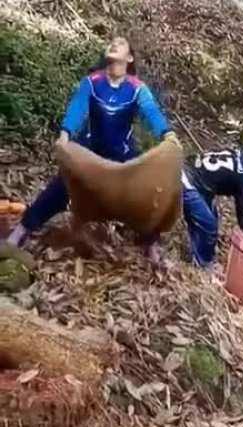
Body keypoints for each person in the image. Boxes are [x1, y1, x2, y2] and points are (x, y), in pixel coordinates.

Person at [7, 36, 175, 265]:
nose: (114, 44)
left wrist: (167, 134)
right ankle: (23, 229)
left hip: (122, 153)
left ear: (130, 57)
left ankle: (150, 242)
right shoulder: (92, 82)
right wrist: (65, 133)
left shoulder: (137, 89)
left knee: (142, 193)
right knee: (61, 187)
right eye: (112, 42)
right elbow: (77, 108)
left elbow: (151, 113)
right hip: (90, 151)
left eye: (121, 43)